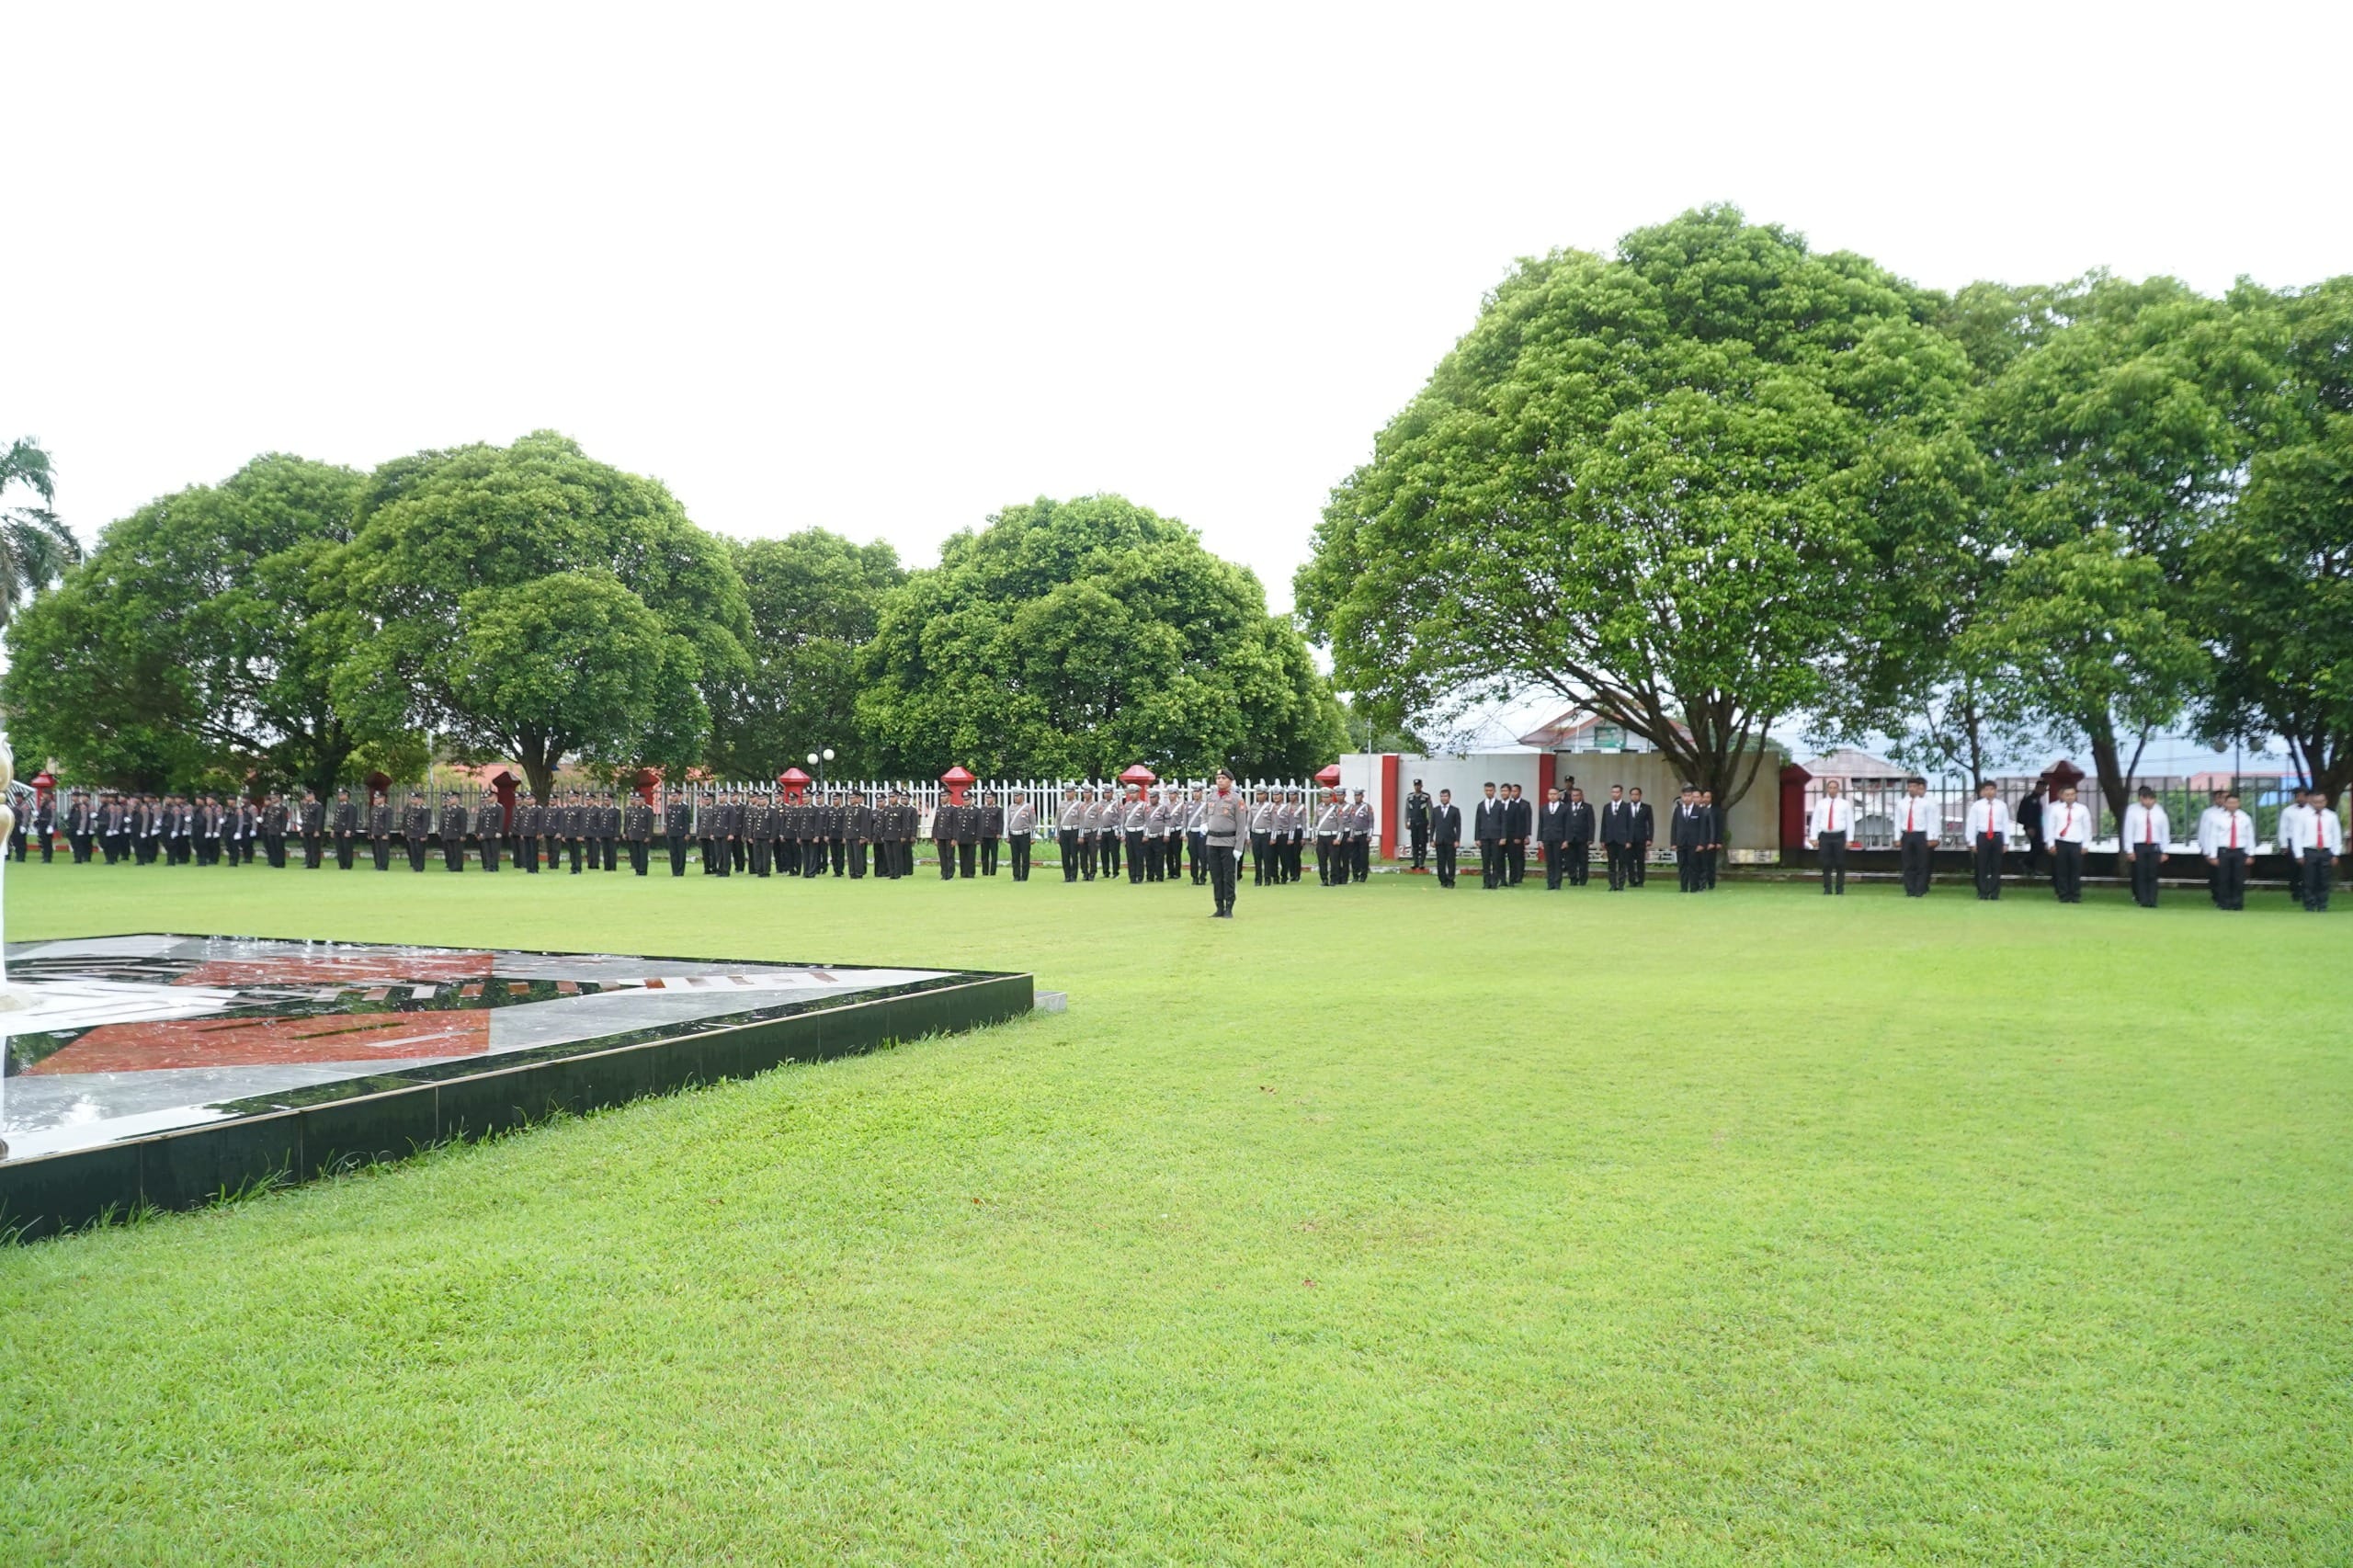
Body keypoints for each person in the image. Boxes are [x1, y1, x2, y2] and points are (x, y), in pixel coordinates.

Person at [1200, 767, 1247, 918]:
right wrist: (1203, 823)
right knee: (1216, 876)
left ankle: (1229, 907)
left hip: (1228, 842)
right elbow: (1204, 813)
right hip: (1212, 841)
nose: (1220, 780)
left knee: (1228, 876)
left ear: (1230, 781)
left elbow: (1241, 825)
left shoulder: (1236, 799)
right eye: (1218, 778)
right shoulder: (1211, 797)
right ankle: (1218, 906)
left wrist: (1239, 847)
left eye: (1223, 778)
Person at [2120, 786, 2168, 908]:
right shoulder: (2132, 810)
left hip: (2154, 845)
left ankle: (2152, 899)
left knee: (2152, 874)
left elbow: (2165, 831)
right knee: (2140, 873)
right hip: (2139, 845)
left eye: (2151, 799)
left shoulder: (2160, 811)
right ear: (2140, 799)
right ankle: (2142, 899)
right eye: (2145, 799)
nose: (2148, 802)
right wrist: (2129, 850)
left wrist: (2165, 850)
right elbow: (2128, 831)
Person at [2206, 791, 2255, 911]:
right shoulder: (2218, 818)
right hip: (2224, 851)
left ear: (2239, 803)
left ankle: (2237, 903)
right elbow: (2213, 837)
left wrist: (2251, 854)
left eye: (2235, 802)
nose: (2232, 805)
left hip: (2239, 851)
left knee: (2238, 879)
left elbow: (2250, 837)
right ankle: (2224, 903)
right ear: (2225, 804)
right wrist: (2212, 856)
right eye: (2230, 802)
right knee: (2223, 878)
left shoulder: (2245, 818)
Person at [1964, 781, 2009, 900]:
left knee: (1996, 866)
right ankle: (1982, 892)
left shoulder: (2002, 805)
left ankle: (1994, 893)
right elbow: (1971, 824)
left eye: (1992, 789)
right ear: (1983, 791)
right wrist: (1972, 842)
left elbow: (2005, 824)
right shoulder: (1977, 806)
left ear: (1996, 791)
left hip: (1997, 836)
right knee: (1981, 866)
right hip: (1983, 836)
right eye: (1987, 789)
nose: (1989, 792)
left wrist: (2006, 842)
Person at [1807, 778, 1854, 895]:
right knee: (1826, 863)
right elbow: (1816, 820)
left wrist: (1850, 839)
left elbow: (1850, 822)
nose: (1832, 790)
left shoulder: (1845, 804)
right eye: (1830, 788)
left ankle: (1840, 889)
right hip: (1825, 836)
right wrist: (1813, 837)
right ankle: (1827, 888)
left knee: (1840, 863)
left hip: (1839, 835)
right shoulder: (1821, 803)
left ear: (1838, 789)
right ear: (1827, 789)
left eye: (1834, 788)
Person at [2047, 784, 2091, 903]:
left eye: (2072, 794)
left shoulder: (2082, 809)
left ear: (2076, 795)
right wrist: (2051, 843)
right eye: (2067, 795)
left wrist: (2086, 845)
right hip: (2061, 842)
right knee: (2062, 871)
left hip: (2076, 843)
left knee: (2075, 871)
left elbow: (2087, 828)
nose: (2070, 797)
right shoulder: (2056, 809)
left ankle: (2075, 895)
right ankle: (2063, 895)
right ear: (2063, 796)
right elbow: (2050, 827)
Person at [1895, 778, 1935, 898]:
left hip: (1920, 834)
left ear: (1919, 788)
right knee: (1908, 864)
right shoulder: (1901, 803)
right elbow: (1897, 821)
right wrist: (1897, 838)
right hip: (1907, 834)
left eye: (1914, 787)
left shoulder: (1925, 804)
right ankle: (1910, 889)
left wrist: (1931, 837)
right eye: (1910, 787)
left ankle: (1920, 889)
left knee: (1921, 863)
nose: (1912, 789)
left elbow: (1930, 822)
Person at [2194, 788, 2229, 905]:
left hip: (2227, 846)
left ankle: (2227, 895)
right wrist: (2205, 848)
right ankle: (2217, 895)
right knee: (2216, 874)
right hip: (2212, 847)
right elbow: (2204, 831)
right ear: (2215, 799)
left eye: (2225, 797)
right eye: (2220, 797)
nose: (2222, 800)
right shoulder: (2208, 813)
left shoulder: (2232, 813)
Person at [2278, 788, 2311, 905]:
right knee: (2294, 869)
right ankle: (2295, 892)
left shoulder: (2311, 811)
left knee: (2307, 869)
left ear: (2307, 797)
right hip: (2292, 842)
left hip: (2307, 842)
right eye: (2298, 796)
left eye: (2303, 796)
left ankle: (2306, 892)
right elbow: (2283, 828)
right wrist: (2284, 844)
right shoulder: (2288, 811)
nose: (2300, 798)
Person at [1672, 786, 1708, 892]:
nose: (1687, 798)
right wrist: (1673, 842)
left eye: (1689, 796)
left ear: (1693, 797)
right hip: (1681, 842)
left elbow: (1702, 828)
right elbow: (1674, 827)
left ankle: (1694, 887)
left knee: (1694, 866)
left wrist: (1701, 843)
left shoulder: (1699, 810)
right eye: (1685, 796)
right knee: (1682, 866)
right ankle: (1683, 887)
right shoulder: (1678, 810)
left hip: (1694, 843)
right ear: (1682, 797)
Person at [1599, 785, 1634, 891]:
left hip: (1622, 840)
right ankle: (1612, 884)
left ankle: (1621, 884)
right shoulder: (1607, 807)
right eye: (1613, 792)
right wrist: (1602, 839)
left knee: (1622, 863)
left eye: (1617, 792)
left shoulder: (1627, 807)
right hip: (1610, 839)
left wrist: (1629, 840)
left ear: (1621, 793)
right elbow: (1603, 824)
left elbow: (1630, 825)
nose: (1615, 794)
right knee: (1611, 864)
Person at [1538, 787, 1571, 890]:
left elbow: (1568, 824)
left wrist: (1566, 840)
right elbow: (1541, 824)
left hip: (1559, 838)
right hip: (1547, 837)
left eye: (1555, 794)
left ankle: (1557, 883)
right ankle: (1550, 883)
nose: (1552, 796)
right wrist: (1540, 839)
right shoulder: (1543, 808)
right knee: (1549, 862)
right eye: (1550, 794)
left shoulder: (1565, 808)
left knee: (1558, 861)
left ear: (1559, 795)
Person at [1473, 783, 1505, 890]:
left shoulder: (1500, 804)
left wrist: (1503, 837)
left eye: (1490, 790)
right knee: (1485, 860)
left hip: (1496, 836)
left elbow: (1503, 822)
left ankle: (1494, 882)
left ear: (1494, 791)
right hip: (1484, 836)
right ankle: (1486, 882)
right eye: (1487, 790)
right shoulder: (1481, 805)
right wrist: (1477, 837)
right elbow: (1477, 822)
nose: (1488, 792)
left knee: (1496, 860)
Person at [1562, 787, 1595, 887]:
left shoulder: (1587, 807)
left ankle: (1583, 879)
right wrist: (1564, 838)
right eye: (1573, 795)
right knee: (1570, 860)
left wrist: (1590, 838)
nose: (1575, 797)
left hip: (1582, 838)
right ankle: (1573, 879)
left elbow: (1591, 823)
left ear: (1581, 796)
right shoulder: (1566, 807)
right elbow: (1563, 823)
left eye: (1577, 795)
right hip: (1570, 838)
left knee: (1583, 860)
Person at [1430, 789, 1461, 887]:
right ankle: (1443, 881)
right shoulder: (1435, 810)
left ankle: (1451, 880)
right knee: (1440, 863)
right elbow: (1432, 826)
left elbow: (1458, 826)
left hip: (1451, 840)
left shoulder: (1455, 810)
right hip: (1439, 840)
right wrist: (1431, 839)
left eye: (1445, 796)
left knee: (1451, 862)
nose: (1443, 798)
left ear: (1449, 797)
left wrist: (1457, 840)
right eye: (1442, 796)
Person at [2017, 781, 2046, 879]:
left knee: (2035, 847)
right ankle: (2025, 861)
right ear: (2038, 787)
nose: (2045, 791)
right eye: (2043, 788)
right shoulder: (2031, 799)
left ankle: (2031, 868)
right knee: (2039, 847)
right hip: (2032, 827)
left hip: (2037, 826)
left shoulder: (2035, 798)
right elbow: (2029, 814)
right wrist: (2030, 827)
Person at [1504, 783, 1530, 886]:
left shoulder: (1525, 804)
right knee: (1512, 856)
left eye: (1516, 791)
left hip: (1520, 834)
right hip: (1509, 834)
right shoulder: (1507, 804)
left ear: (1520, 792)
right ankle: (1513, 876)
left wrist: (1526, 835)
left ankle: (1519, 875)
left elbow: (1527, 820)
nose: (1514, 793)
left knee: (1519, 856)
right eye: (1512, 791)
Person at [1248, 790, 1277, 886]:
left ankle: (1267, 878)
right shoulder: (1253, 806)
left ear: (1266, 795)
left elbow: (1274, 823)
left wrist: (1273, 837)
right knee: (1257, 858)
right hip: (1256, 834)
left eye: (1261, 794)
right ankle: (1258, 879)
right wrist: (1249, 836)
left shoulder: (1270, 806)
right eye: (1258, 794)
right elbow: (1249, 822)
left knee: (1267, 858)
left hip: (1266, 834)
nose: (1259, 796)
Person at [1056, 790, 1085, 883]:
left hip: (1074, 830)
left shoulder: (1079, 804)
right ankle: (1067, 876)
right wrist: (1057, 834)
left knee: (1074, 854)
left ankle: (1073, 876)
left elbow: (1081, 821)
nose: (1068, 794)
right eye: (1067, 792)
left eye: (1070, 792)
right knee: (1065, 855)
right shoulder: (1061, 804)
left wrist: (1080, 835)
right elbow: (1058, 820)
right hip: (1064, 831)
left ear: (1074, 793)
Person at [1006, 791, 1036, 881]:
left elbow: (1033, 822)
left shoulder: (1028, 807)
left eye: (1017, 796)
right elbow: (1008, 821)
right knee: (1015, 857)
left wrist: (1033, 837)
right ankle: (1016, 876)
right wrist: (1007, 835)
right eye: (1015, 796)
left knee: (1025, 857)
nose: (1016, 798)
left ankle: (1024, 876)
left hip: (1024, 834)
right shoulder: (1011, 807)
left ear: (1022, 796)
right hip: (1014, 834)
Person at [1404, 779, 1432, 871]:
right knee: (1414, 843)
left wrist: (1430, 823)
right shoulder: (1410, 797)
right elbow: (1407, 810)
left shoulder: (1426, 797)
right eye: (1416, 785)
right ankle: (1415, 862)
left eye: (1419, 785)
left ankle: (1422, 862)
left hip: (1423, 822)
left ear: (1421, 786)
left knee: (1423, 842)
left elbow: (1430, 810)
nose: (1417, 787)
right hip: (1413, 823)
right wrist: (1406, 821)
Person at [1628, 787, 1653, 888]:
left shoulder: (1646, 807)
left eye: (1636, 794)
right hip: (1629, 839)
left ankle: (1641, 880)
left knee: (1640, 861)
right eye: (1632, 794)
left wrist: (1649, 838)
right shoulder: (1626, 807)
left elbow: (1650, 824)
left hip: (1641, 838)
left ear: (1640, 795)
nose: (1634, 796)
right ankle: (1631, 880)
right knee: (1629, 861)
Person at [663, 791, 691, 877]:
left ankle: (680, 871)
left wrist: (687, 833)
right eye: (672, 796)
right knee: (673, 853)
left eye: (675, 796)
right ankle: (674, 871)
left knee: (681, 853)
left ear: (680, 796)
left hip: (681, 833)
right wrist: (666, 829)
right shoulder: (670, 807)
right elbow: (668, 820)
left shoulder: (684, 807)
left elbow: (687, 821)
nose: (673, 798)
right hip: (672, 833)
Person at [403, 790, 432, 872]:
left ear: (420, 800)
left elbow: (425, 823)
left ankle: (420, 867)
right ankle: (415, 866)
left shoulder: (424, 810)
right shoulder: (411, 809)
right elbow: (408, 822)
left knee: (420, 851)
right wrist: (408, 833)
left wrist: (423, 835)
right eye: (411, 798)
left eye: (414, 799)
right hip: (412, 833)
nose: (412, 800)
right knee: (413, 851)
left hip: (419, 833)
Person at [439, 792, 468, 872]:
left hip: (457, 834)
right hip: (448, 834)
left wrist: (463, 834)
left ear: (457, 799)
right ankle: (452, 866)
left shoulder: (461, 809)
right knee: (450, 851)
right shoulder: (448, 809)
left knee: (457, 852)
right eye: (449, 798)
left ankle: (458, 867)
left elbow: (463, 823)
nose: (449, 800)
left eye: (451, 798)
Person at [978, 791, 1005, 877]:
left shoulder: (998, 809)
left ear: (993, 798)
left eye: (989, 797)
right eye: (986, 797)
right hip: (984, 835)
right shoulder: (982, 809)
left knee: (994, 854)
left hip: (993, 834)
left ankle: (993, 872)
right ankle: (985, 872)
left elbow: (1000, 822)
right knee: (984, 854)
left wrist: (999, 833)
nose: (987, 799)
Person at [332, 789, 358, 869]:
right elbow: (336, 819)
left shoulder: (350, 807)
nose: (340, 796)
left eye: (342, 795)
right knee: (339, 848)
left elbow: (351, 819)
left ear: (347, 796)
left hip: (345, 830)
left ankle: (348, 864)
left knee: (347, 848)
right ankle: (341, 865)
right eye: (339, 795)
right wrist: (333, 829)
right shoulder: (338, 806)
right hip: (338, 829)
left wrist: (349, 830)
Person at [299, 789, 324, 869]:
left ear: (313, 796)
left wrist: (317, 830)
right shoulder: (307, 806)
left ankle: (315, 863)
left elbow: (319, 819)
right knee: (308, 848)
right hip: (306, 829)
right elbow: (305, 819)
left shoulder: (318, 806)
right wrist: (302, 829)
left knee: (315, 848)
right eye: (306, 795)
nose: (307, 797)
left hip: (313, 829)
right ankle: (309, 862)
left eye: (308, 795)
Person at [369, 791, 395, 871]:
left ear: (383, 798)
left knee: (384, 850)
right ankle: (378, 865)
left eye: (378, 798)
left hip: (382, 832)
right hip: (376, 832)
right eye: (375, 798)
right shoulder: (374, 808)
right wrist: (372, 832)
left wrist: (386, 833)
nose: (376, 800)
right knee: (377, 850)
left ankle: (384, 866)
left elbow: (388, 822)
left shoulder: (387, 809)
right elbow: (372, 821)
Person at [478, 794, 504, 872]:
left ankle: (495, 866)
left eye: (490, 797)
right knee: (487, 851)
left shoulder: (499, 808)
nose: (488, 799)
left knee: (494, 851)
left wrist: (499, 831)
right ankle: (489, 866)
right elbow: (483, 821)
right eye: (487, 797)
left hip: (494, 833)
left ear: (495, 797)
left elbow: (501, 821)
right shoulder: (485, 808)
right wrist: (481, 832)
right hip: (486, 832)